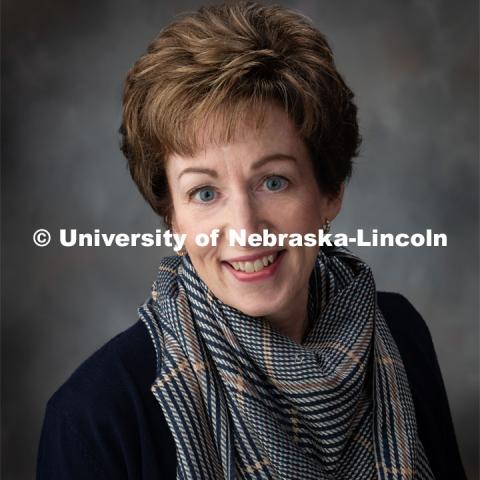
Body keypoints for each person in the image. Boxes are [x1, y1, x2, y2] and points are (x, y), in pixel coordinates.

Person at [36, 2, 466, 479]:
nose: (244, 225)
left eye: (274, 181)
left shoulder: (399, 333)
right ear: (173, 219)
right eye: (204, 192)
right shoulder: (96, 416)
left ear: (330, 192)